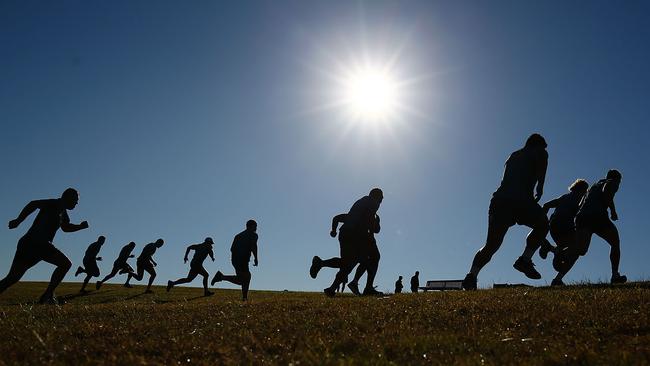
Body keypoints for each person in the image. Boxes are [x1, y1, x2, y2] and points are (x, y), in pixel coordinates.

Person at [462, 134, 549, 290]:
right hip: (521, 200)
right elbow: (542, 165)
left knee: (491, 246)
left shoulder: (513, 155)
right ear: (537, 144)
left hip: (500, 202)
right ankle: (525, 260)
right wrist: (540, 187)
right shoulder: (539, 152)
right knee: (543, 224)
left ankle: (471, 276)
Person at [0, 188, 89, 304]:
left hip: (36, 245)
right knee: (13, 278)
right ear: (67, 197)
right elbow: (33, 204)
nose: (76, 203)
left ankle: (48, 295)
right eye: (75, 200)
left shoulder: (64, 214)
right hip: (34, 243)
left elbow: (65, 228)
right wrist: (18, 220)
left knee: (12, 278)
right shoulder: (53, 203)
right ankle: (47, 295)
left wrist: (80, 227)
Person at [555, 170, 627, 284]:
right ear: (617, 179)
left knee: (580, 250)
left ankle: (558, 277)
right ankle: (615, 275)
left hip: (582, 218)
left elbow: (580, 204)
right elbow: (607, 192)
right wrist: (613, 211)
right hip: (597, 216)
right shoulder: (612, 182)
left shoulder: (593, 186)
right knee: (615, 242)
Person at [323, 188, 384, 297]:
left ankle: (332, 287)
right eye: (380, 198)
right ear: (376, 197)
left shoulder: (362, 203)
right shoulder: (370, 202)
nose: (381, 201)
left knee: (350, 263)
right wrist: (372, 233)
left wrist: (334, 230)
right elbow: (370, 225)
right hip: (355, 235)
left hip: (351, 234)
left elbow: (342, 217)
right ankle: (363, 286)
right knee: (369, 258)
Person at [311, 213, 382, 296]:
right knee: (351, 263)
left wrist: (376, 222)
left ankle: (332, 287)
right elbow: (336, 218)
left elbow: (375, 230)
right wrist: (333, 230)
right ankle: (323, 266)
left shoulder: (370, 217)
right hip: (349, 238)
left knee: (350, 263)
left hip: (356, 240)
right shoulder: (357, 213)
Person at [536, 179, 589, 285]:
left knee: (567, 248)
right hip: (565, 226)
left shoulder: (564, 197)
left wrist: (541, 222)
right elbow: (580, 215)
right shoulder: (579, 199)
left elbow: (546, 205)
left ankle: (550, 249)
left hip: (554, 227)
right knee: (578, 251)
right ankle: (558, 278)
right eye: (584, 191)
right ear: (582, 190)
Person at [211, 220, 259, 301]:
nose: (256, 228)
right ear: (251, 226)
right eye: (255, 226)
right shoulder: (253, 235)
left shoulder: (238, 236)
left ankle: (244, 297)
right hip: (242, 260)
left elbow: (232, 249)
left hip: (235, 259)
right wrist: (256, 258)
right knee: (245, 278)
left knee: (243, 278)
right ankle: (221, 277)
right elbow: (253, 246)